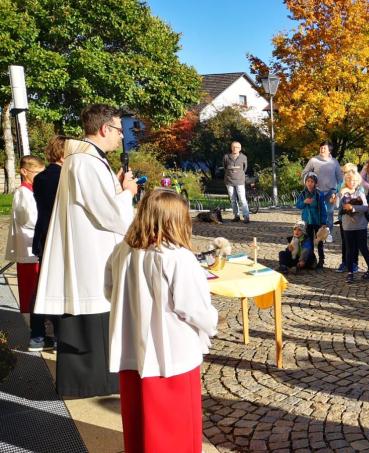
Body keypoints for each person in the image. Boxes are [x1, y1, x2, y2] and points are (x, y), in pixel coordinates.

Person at [34, 103, 138, 397]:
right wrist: (128, 193)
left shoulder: (86, 160)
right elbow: (110, 214)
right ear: (105, 128)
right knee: (93, 311)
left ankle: (96, 380)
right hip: (90, 253)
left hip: (90, 248)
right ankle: (91, 383)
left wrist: (116, 188)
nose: (121, 137)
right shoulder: (86, 162)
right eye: (119, 130)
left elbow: (99, 202)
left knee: (96, 315)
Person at [105, 189, 218, 453]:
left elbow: (109, 290)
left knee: (139, 422)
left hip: (132, 346)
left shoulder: (123, 250)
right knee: (175, 427)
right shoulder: (178, 258)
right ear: (175, 221)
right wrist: (212, 322)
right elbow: (193, 308)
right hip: (172, 352)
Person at [31, 135, 67, 351]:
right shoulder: (65, 177)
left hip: (44, 236)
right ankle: (58, 334)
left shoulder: (41, 177)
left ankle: (37, 333)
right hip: (61, 238)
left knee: (44, 285)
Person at [5, 156, 45, 349]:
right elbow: (28, 219)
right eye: (37, 173)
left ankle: (40, 327)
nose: (40, 177)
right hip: (29, 250)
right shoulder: (23, 192)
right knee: (32, 290)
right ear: (24, 172)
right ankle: (36, 330)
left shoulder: (32, 191)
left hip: (33, 248)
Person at [302, 141, 343, 242]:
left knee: (329, 212)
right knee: (315, 212)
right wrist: (307, 183)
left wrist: (337, 192)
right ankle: (317, 232)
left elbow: (340, 178)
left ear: (329, 150)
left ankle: (327, 233)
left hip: (331, 191)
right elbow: (304, 173)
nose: (322, 149)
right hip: (316, 191)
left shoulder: (334, 162)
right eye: (321, 147)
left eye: (324, 148)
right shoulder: (313, 160)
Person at [338, 171, 369, 283]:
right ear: (346, 181)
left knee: (363, 247)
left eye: (354, 180)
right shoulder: (343, 192)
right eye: (349, 180)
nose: (352, 182)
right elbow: (339, 208)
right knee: (349, 249)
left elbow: (365, 207)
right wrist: (339, 199)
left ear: (358, 181)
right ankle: (350, 272)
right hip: (348, 225)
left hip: (360, 225)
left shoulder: (360, 192)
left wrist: (352, 208)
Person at [295, 173, 328, 268]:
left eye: (312, 181)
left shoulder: (319, 194)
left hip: (317, 221)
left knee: (319, 241)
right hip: (307, 222)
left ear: (315, 183)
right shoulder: (303, 193)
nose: (309, 183)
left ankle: (321, 260)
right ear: (305, 182)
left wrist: (323, 222)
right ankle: (311, 260)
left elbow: (323, 208)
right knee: (309, 242)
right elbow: (298, 205)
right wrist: (304, 202)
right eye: (308, 181)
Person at [223, 141, 249, 223]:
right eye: (233, 147)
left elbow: (244, 168)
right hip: (229, 181)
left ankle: (246, 216)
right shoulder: (226, 157)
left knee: (242, 199)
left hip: (240, 181)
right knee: (233, 199)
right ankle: (236, 216)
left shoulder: (243, 157)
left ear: (240, 148)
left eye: (237, 147)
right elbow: (225, 167)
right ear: (231, 148)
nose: (235, 149)